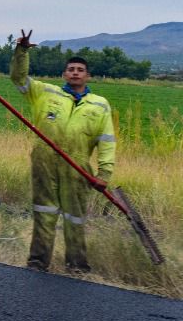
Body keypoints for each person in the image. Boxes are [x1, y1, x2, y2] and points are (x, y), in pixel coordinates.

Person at [10, 30, 116, 272]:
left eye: (80, 70)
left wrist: (104, 174)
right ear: (64, 74)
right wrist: (22, 51)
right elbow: (18, 78)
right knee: (44, 212)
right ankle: (38, 263)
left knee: (74, 218)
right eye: (71, 69)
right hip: (44, 162)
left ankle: (77, 266)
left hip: (78, 168)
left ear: (88, 75)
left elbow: (107, 141)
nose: (75, 73)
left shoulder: (100, 105)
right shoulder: (45, 93)